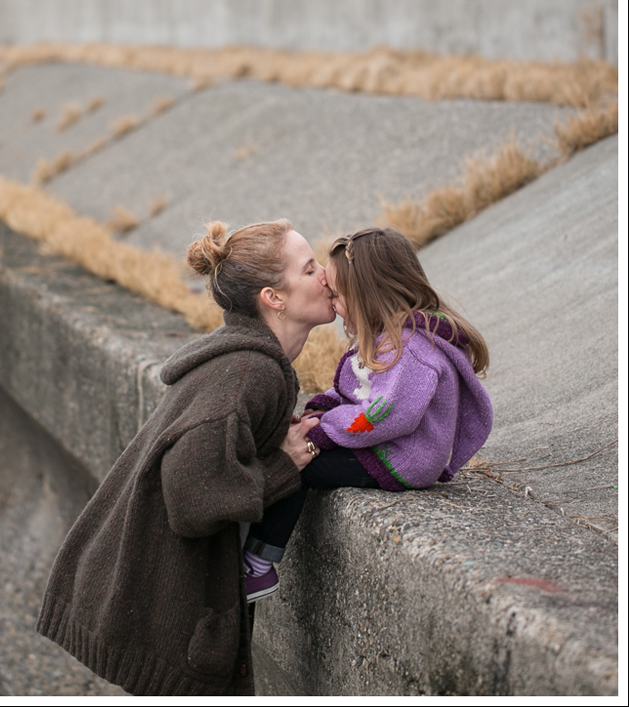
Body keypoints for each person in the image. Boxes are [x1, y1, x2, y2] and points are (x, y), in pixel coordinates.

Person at [36, 219, 337, 695]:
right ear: (273, 298)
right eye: (309, 268)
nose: (326, 275)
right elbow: (192, 494)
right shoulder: (250, 373)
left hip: (135, 591)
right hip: (151, 606)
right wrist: (282, 468)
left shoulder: (248, 362)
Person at [243, 227, 494, 601]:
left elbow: (384, 415)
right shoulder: (383, 337)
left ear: (367, 294)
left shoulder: (412, 350)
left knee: (301, 468)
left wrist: (323, 432)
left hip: (402, 456)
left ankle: (258, 564)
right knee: (299, 448)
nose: (332, 300)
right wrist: (321, 408)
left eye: (338, 295)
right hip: (380, 443)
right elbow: (356, 391)